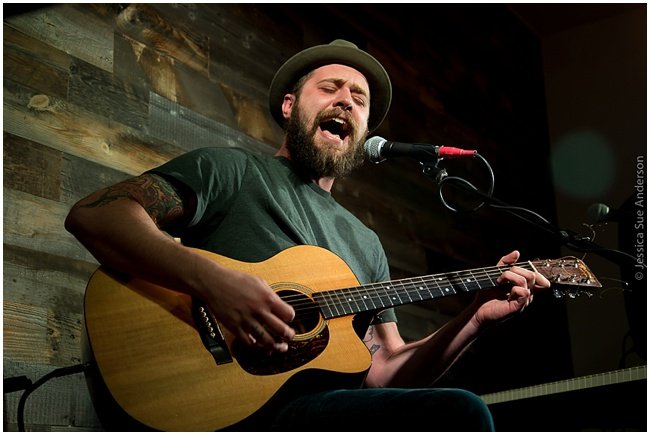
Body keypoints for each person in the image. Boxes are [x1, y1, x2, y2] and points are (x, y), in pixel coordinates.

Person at [65, 39, 550, 431]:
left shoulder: (366, 244)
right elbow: (97, 216)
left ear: (362, 133)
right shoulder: (231, 170)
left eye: (359, 99)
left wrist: (474, 318)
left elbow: (385, 371)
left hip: (315, 411)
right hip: (213, 403)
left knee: (454, 412)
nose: (346, 101)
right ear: (289, 105)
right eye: (330, 88)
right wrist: (214, 283)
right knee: (461, 414)